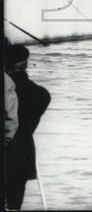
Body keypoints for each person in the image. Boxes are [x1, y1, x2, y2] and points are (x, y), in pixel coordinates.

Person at [5, 44, 51, 211]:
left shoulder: (8, 89)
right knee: (14, 205)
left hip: (8, 150)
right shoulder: (41, 94)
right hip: (23, 152)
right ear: (25, 64)